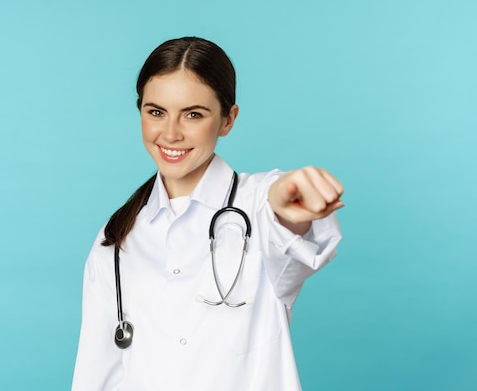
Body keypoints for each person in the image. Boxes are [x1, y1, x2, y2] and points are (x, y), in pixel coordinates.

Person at [71, 37, 344, 391]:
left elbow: (285, 215)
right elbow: (97, 374)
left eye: (193, 114)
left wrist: (289, 199)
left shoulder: (256, 209)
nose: (170, 133)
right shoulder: (117, 236)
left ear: (228, 120)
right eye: (156, 112)